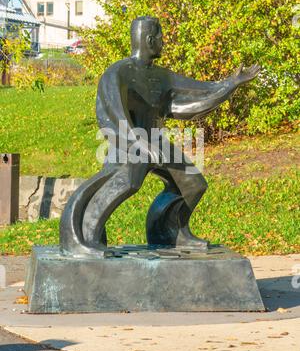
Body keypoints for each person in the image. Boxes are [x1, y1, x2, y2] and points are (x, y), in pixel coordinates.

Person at [60, 16, 260, 256]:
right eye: (161, 38)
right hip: (125, 141)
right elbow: (115, 113)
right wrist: (138, 142)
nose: (164, 42)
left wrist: (231, 84)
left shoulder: (162, 76)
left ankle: (170, 233)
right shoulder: (118, 73)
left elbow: (201, 90)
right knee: (129, 180)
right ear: (149, 39)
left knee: (193, 183)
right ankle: (87, 237)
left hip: (154, 140)